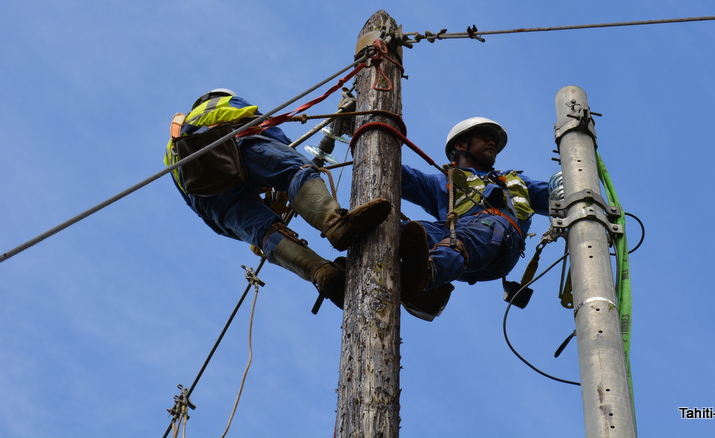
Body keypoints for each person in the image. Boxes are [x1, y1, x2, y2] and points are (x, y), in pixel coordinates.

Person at [165, 88, 392, 309]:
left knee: (265, 231)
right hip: (238, 145)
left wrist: (257, 233)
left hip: (208, 199)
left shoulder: (172, 150)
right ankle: (334, 224)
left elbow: (210, 218)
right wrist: (287, 165)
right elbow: (267, 129)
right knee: (294, 170)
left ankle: (321, 273)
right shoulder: (218, 103)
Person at [399, 117, 550, 320]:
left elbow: (559, 195)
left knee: (470, 234)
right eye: (484, 138)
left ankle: (422, 277)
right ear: (461, 145)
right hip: (454, 237)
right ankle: (365, 264)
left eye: (493, 141)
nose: (492, 143)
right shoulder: (444, 181)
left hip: (497, 239)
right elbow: (399, 174)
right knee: (404, 232)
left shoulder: (513, 181)